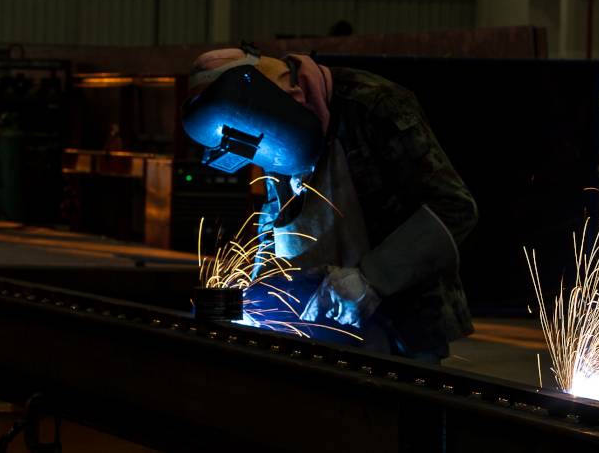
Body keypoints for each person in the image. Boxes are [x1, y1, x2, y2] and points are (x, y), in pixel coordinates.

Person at [181, 46, 477, 363]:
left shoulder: (375, 105)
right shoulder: (276, 125)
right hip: (320, 327)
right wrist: (251, 295)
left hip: (402, 328)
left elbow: (455, 207)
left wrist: (370, 279)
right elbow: (275, 224)